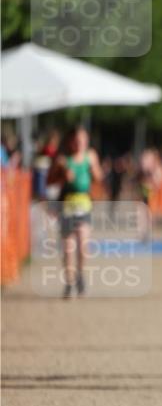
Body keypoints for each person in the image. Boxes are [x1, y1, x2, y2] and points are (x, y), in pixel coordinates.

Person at [48, 126, 103, 298]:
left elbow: (99, 178)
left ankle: (80, 275)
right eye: (77, 140)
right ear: (70, 141)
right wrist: (63, 173)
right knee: (68, 247)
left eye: (83, 140)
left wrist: (93, 171)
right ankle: (69, 282)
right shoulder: (63, 160)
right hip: (67, 204)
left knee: (83, 244)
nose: (80, 143)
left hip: (84, 204)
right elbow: (50, 181)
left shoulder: (91, 156)